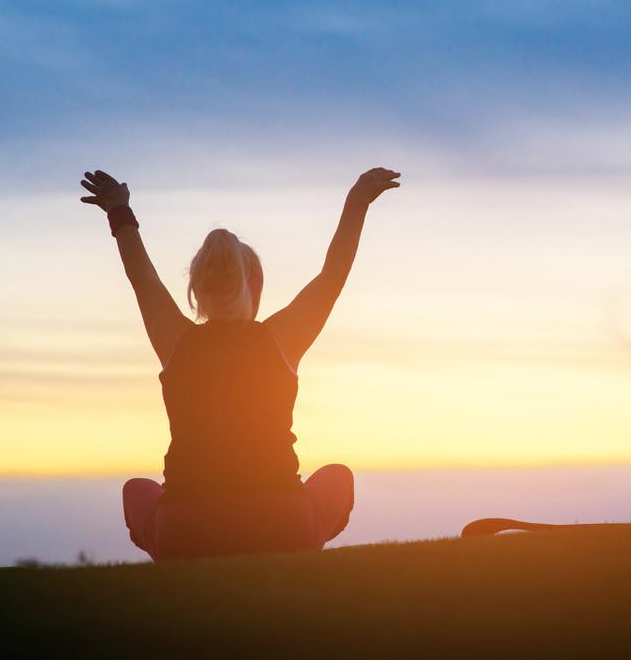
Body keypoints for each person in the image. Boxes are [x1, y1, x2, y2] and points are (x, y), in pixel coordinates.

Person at [79, 166, 401, 559]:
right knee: (338, 478)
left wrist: (119, 210)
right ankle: (296, 552)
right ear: (256, 286)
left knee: (137, 490)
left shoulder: (175, 339)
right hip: (282, 525)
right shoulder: (282, 338)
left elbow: (141, 277)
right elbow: (332, 275)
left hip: (187, 530)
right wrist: (357, 201)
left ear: (196, 290)